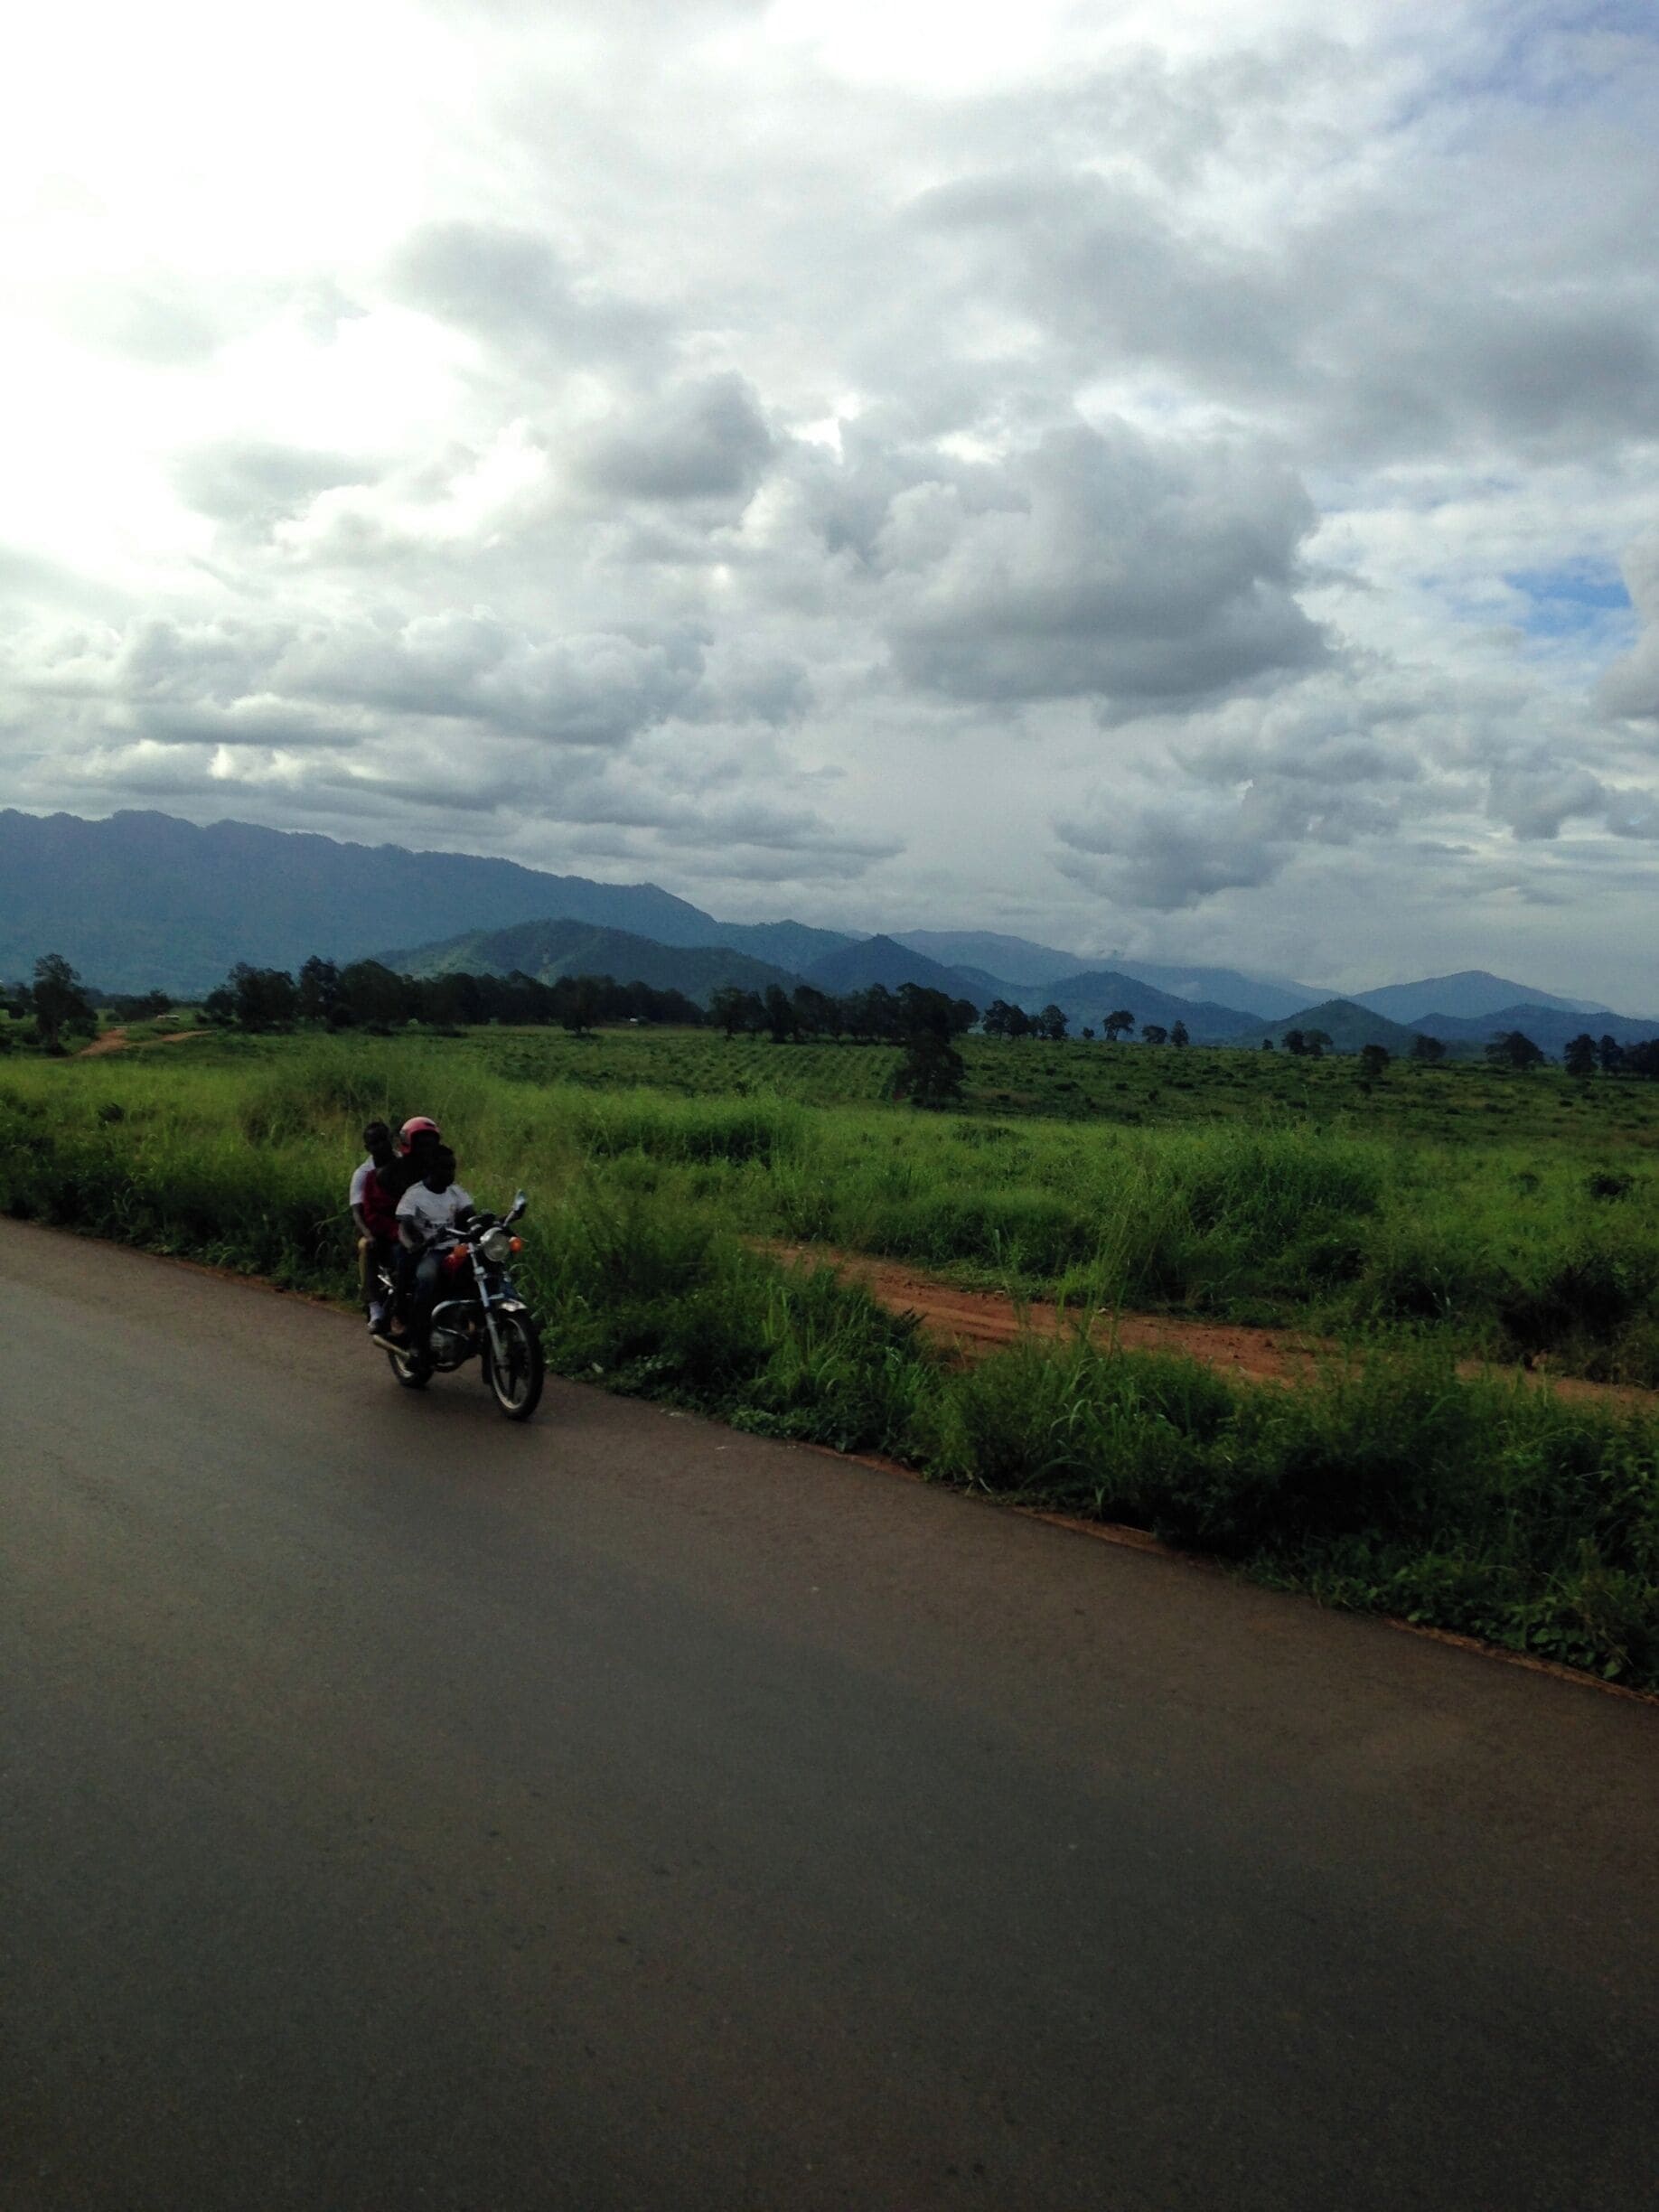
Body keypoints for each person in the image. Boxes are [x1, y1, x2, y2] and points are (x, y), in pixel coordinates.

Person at [378, 1144, 474, 1354]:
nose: (450, 1173)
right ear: (431, 1169)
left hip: (455, 1248)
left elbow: (471, 1215)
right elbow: (404, 1226)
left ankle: (475, 1323)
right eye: (445, 1168)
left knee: (483, 1272)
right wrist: (414, 1243)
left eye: (452, 1168)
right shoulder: (415, 1195)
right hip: (431, 1251)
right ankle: (417, 1339)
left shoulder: (455, 1192)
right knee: (427, 1279)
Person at [349, 1120, 401, 1329]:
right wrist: (369, 1234)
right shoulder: (363, 1174)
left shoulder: (405, 1164)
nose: (381, 1146)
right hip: (375, 1227)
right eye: (375, 1142)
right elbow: (357, 1212)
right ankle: (374, 1306)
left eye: (383, 1140)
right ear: (367, 1147)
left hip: (405, 1224)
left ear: (391, 1140)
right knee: (366, 1247)